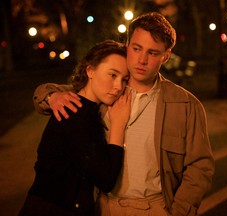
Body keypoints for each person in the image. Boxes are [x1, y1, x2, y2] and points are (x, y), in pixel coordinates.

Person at [33, 12, 214, 216]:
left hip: (155, 208)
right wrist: (51, 96)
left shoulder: (185, 105)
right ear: (127, 44)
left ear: (166, 55)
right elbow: (62, 94)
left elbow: (200, 166)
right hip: (103, 206)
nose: (142, 60)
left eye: (153, 53)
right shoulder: (107, 91)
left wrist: (180, 211)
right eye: (136, 48)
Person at [19, 40, 131, 216]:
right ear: (90, 70)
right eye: (112, 75)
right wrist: (118, 126)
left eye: (124, 79)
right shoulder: (75, 111)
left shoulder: (86, 107)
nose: (118, 87)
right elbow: (106, 179)